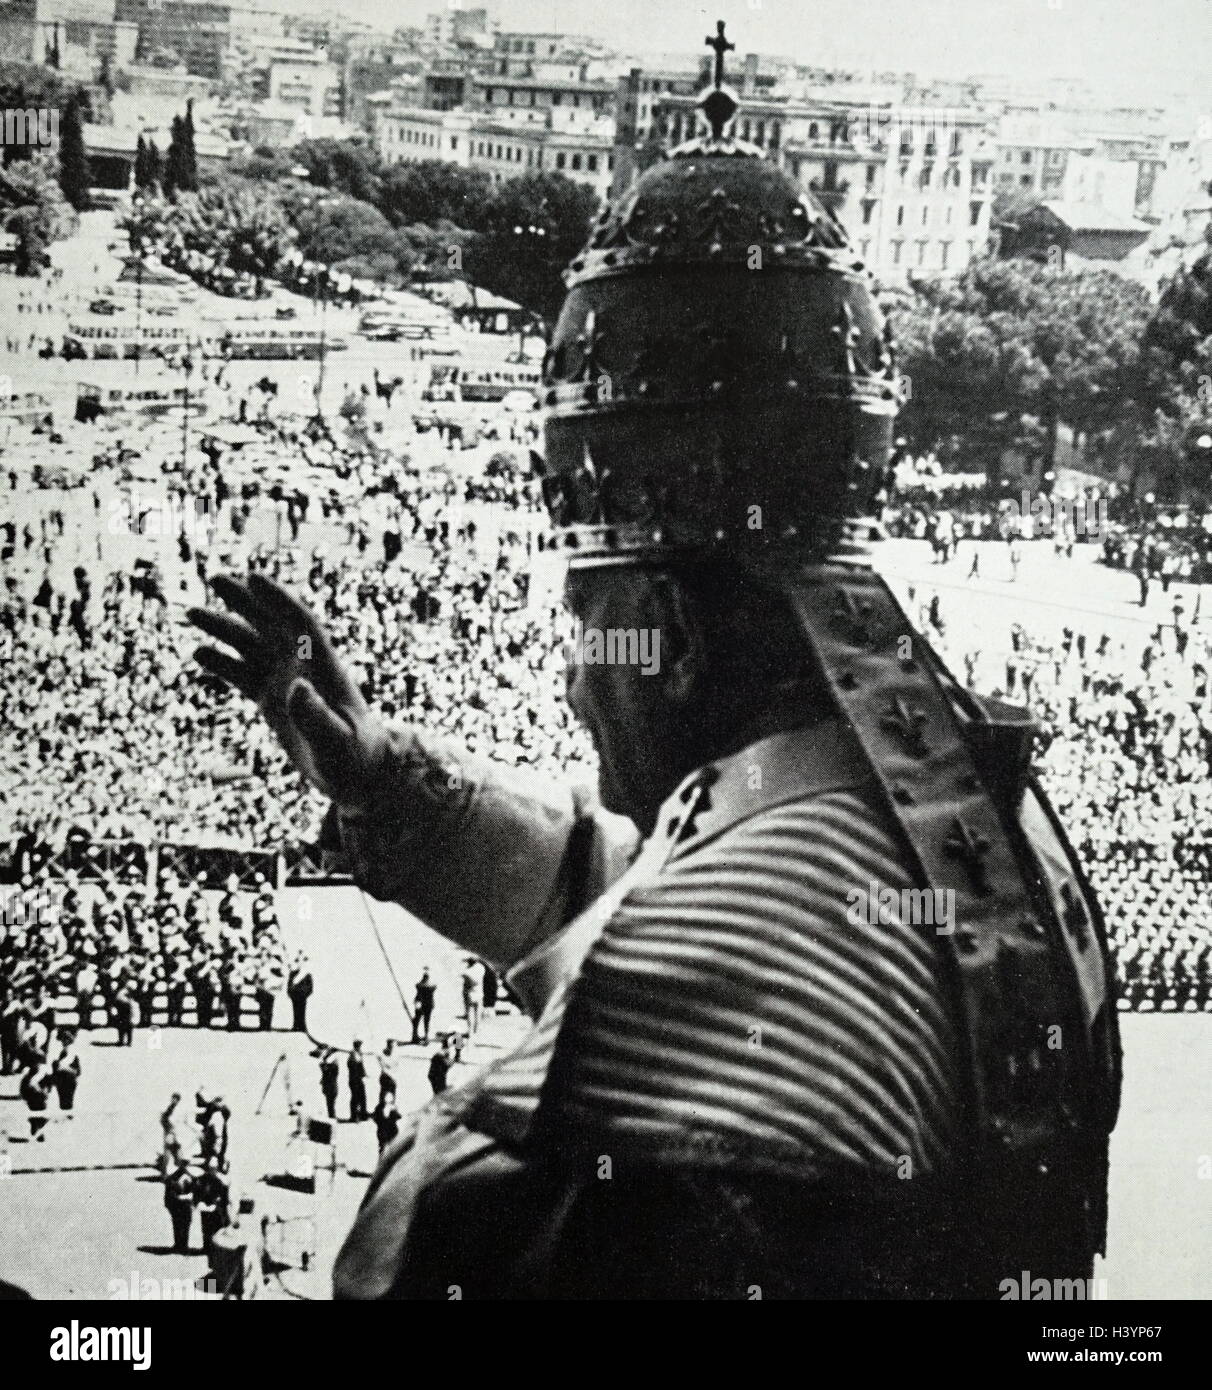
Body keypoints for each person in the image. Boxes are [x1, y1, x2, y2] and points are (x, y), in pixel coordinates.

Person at [190, 40, 1120, 1301]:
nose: (576, 682)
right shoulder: (934, 800)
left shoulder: (749, 924)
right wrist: (390, 782)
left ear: (671, 637)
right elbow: (636, 883)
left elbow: (439, 1245)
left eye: (592, 622)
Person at [164, 1159, 195, 1254]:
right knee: (177, 1224)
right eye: (183, 1164)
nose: (184, 1166)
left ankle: (183, 1245)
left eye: (186, 1164)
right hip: (177, 1205)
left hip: (185, 1205)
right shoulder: (173, 1177)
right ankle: (178, 1245)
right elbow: (169, 1192)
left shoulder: (189, 1176)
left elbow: (195, 1189)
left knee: (185, 1225)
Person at [20, 1060, 53, 1140]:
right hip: (36, 1096)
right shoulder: (43, 1071)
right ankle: (38, 1129)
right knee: (40, 1114)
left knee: (37, 1113)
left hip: (33, 1096)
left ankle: (36, 1127)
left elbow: (22, 1089)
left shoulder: (28, 1074)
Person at [51, 1028, 81, 1115]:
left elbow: (76, 1070)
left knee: (65, 1102)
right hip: (66, 1079)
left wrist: (59, 1066)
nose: (62, 1042)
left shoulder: (70, 1051)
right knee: (66, 1102)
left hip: (68, 1079)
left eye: (65, 1040)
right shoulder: (65, 1051)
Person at [287, 952, 313, 1033]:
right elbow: (289, 984)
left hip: (302, 996)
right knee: (295, 1011)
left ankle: (302, 1026)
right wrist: (290, 993)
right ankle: (296, 1026)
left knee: (302, 1011)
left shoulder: (307, 974)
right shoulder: (293, 973)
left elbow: (310, 987)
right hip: (295, 996)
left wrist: (305, 994)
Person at [461, 958, 483, 1036]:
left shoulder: (467, 972)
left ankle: (469, 1031)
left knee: (469, 1012)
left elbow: (463, 975)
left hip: (469, 993)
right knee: (478, 1013)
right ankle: (476, 1030)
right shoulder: (481, 968)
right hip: (479, 993)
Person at [412, 969, 435, 1044]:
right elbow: (434, 986)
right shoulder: (432, 987)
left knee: (417, 1020)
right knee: (426, 1021)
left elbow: (417, 986)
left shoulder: (419, 986)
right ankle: (425, 1037)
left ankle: (415, 1035)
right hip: (428, 1004)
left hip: (420, 1003)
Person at [347, 1041, 368, 1122]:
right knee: (356, 1098)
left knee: (361, 1097)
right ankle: (355, 1116)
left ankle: (361, 1115)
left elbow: (360, 1067)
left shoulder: (356, 1054)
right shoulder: (354, 1055)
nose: (360, 1047)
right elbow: (356, 1067)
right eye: (359, 1046)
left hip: (357, 1079)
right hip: (354, 1080)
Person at [317, 1046, 339, 1119]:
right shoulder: (333, 1064)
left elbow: (324, 1068)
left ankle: (332, 1116)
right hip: (331, 1086)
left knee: (330, 1102)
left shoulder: (331, 1065)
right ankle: (332, 1116)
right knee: (330, 1102)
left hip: (330, 1086)